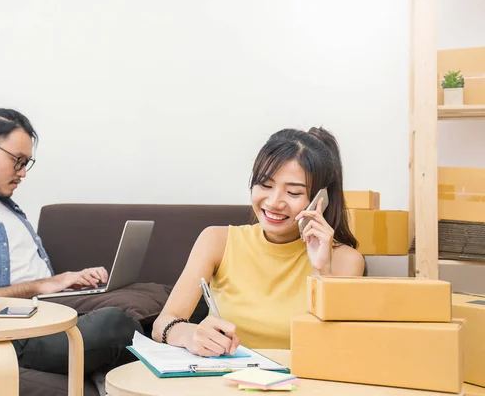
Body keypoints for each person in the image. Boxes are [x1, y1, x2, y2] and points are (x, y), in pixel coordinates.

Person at [0, 107, 141, 381]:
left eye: (26, 162)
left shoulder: (9, 208)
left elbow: (32, 274)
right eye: (17, 160)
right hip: (18, 333)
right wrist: (41, 286)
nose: (23, 173)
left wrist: (67, 281)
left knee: (152, 298)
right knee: (117, 323)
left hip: (51, 309)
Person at [152, 127, 365, 357]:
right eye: (265, 185)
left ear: (319, 201)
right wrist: (189, 334)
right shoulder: (216, 241)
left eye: (293, 193)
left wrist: (322, 271)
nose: (274, 202)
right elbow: (162, 324)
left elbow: (336, 348)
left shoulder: (345, 261)